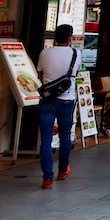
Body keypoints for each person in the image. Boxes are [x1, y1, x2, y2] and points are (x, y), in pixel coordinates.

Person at [36, 23, 78, 189]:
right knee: (65, 136)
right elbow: (76, 73)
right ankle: (62, 170)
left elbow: (40, 74)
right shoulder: (76, 54)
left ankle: (47, 178)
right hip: (67, 100)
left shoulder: (45, 53)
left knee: (46, 139)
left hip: (47, 101)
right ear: (70, 38)